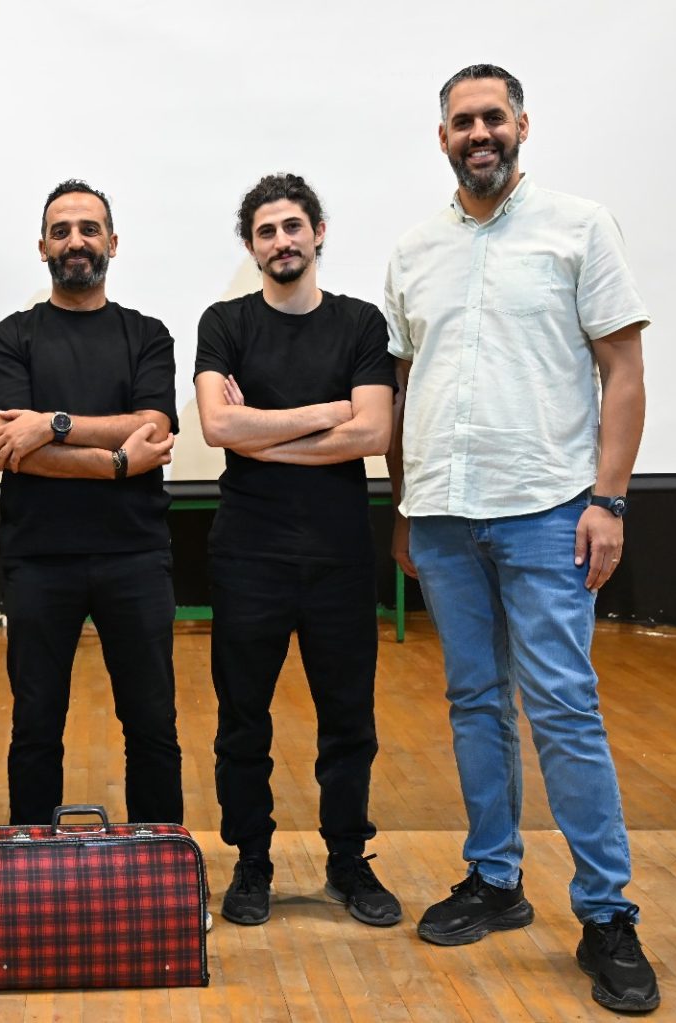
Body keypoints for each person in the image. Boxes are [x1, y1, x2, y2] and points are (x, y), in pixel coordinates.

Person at [385, 65, 658, 1013]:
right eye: (462, 121)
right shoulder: (414, 250)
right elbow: (407, 389)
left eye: (492, 117)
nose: (478, 133)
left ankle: (607, 912)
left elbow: (624, 371)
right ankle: (495, 879)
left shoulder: (581, 227)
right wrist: (405, 503)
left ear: (522, 126)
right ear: (443, 137)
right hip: (444, 515)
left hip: (548, 509)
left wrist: (609, 500)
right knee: (474, 703)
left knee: (564, 709)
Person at [196, 174, 400, 929]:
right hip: (248, 555)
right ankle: (251, 860)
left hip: (339, 556)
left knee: (349, 720)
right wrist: (327, 413)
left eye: (292, 226)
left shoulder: (360, 323)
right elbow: (218, 428)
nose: (281, 241)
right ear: (251, 247)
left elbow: (373, 432)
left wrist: (265, 433)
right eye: (266, 231)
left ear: (318, 232)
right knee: (242, 720)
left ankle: (348, 860)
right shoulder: (224, 322)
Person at [0, 179, 182, 828]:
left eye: (89, 229)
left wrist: (53, 424)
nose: (75, 241)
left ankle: (159, 859)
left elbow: (152, 426)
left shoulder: (147, 335)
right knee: (35, 725)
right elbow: (11, 450)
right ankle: (30, 863)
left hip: (136, 556)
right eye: (61, 231)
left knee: (152, 723)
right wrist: (118, 461)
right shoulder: (8, 338)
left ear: (112, 243)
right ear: (42, 246)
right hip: (39, 559)